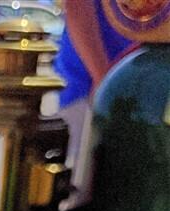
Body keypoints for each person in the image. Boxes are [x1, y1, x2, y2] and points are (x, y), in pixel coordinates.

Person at [55, 0, 134, 162]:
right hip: (90, 88)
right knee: (87, 176)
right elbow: (77, 5)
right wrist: (104, 81)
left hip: (140, 87)